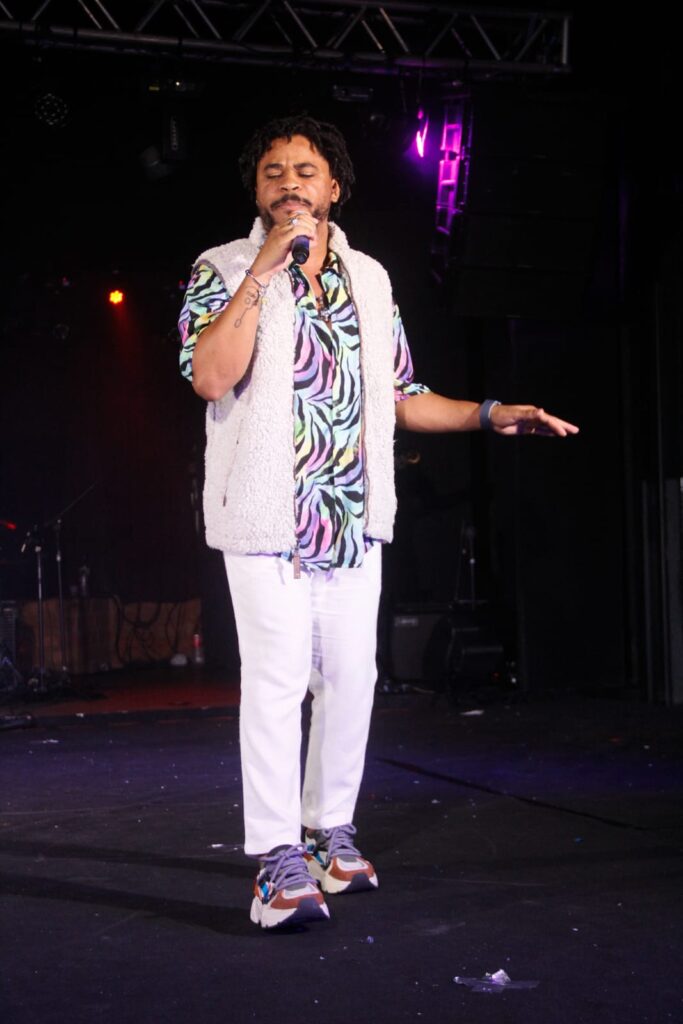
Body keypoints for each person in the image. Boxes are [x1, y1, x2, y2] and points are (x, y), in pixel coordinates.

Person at [178, 114, 578, 930]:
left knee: (352, 678)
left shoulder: (368, 277)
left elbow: (401, 396)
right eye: (272, 172)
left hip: (351, 514)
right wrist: (262, 271)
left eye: (305, 170)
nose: (289, 183)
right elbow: (211, 377)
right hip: (266, 515)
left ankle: (329, 834)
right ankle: (274, 860)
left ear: (334, 187)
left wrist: (487, 414)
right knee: (277, 680)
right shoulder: (221, 267)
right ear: (256, 191)